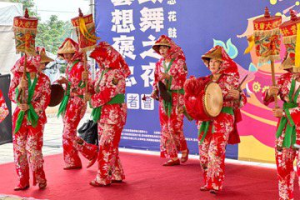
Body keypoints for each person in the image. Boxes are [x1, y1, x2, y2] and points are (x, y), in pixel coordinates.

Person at [184, 46, 247, 194]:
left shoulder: (232, 78)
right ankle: (208, 181)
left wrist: (238, 96)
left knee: (215, 151)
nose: (212, 64)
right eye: (210, 61)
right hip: (206, 120)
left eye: (215, 61)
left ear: (222, 63)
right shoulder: (206, 80)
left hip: (223, 117)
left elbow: (242, 99)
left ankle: (215, 183)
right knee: (204, 152)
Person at [74, 41, 131, 186]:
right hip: (103, 113)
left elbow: (108, 93)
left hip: (114, 113)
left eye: (101, 58)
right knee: (109, 144)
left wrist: (91, 100)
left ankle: (103, 177)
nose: (99, 61)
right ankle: (117, 173)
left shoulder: (117, 73)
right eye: (98, 59)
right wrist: (83, 82)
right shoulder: (101, 72)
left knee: (106, 144)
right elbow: (93, 89)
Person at [9, 55, 51, 190]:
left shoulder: (44, 79)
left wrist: (31, 107)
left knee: (33, 149)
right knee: (19, 149)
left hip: (35, 118)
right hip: (19, 116)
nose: (43, 66)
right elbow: (11, 94)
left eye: (44, 64)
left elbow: (46, 98)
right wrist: (19, 88)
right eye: (41, 63)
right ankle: (22, 181)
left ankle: (40, 178)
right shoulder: (18, 77)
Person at [151, 35, 189, 166]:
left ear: (170, 48)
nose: (162, 50)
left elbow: (183, 79)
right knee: (165, 127)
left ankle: (184, 148)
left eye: (164, 47)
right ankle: (172, 156)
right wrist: (155, 90)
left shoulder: (179, 62)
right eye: (160, 48)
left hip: (177, 96)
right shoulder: (158, 64)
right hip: (164, 97)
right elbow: (156, 79)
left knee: (175, 125)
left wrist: (170, 77)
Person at [263, 63, 300, 200]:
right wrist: (269, 93)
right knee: (283, 166)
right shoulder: (284, 78)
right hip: (285, 130)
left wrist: (285, 113)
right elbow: (266, 99)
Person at [56, 38, 92, 170]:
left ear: (75, 53)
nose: (66, 55)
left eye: (69, 53)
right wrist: (66, 83)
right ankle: (73, 160)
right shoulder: (70, 66)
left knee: (68, 132)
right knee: (67, 131)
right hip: (69, 100)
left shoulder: (81, 66)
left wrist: (67, 83)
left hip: (77, 100)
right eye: (64, 53)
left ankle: (90, 151)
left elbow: (84, 87)